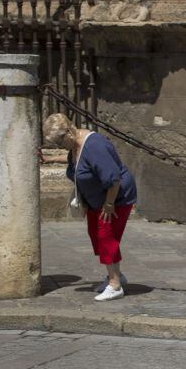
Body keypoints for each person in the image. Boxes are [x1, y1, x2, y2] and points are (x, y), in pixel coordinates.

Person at [41, 113, 137, 301]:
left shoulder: (94, 146)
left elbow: (113, 179)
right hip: (97, 200)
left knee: (105, 237)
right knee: (97, 236)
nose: (61, 147)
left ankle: (115, 285)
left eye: (60, 143)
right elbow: (75, 159)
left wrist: (109, 204)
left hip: (115, 199)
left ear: (68, 132)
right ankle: (116, 275)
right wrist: (49, 159)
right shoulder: (75, 145)